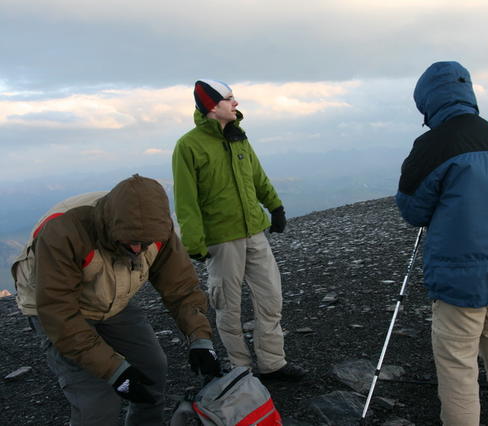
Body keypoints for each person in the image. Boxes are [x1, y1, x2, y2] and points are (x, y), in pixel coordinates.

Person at [22, 174, 220, 426]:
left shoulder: (157, 229)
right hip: (55, 309)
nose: (138, 249)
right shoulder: (64, 233)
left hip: (110, 300)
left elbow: (181, 287)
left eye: (144, 243)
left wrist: (200, 338)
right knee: (98, 401)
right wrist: (116, 371)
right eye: (131, 242)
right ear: (112, 226)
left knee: (152, 369)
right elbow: (59, 313)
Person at [396, 61, 488, 426]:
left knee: (458, 366)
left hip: (461, 279)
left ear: (427, 101)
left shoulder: (432, 144)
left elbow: (412, 208)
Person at [172, 79, 305, 381]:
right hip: (221, 240)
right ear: (212, 106)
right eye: (229, 99)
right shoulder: (188, 146)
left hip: (254, 232)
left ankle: (273, 362)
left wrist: (275, 207)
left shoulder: (238, 137)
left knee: (270, 297)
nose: (236, 103)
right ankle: (241, 369)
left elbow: (257, 176)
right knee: (228, 308)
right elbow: (185, 199)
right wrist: (193, 241)